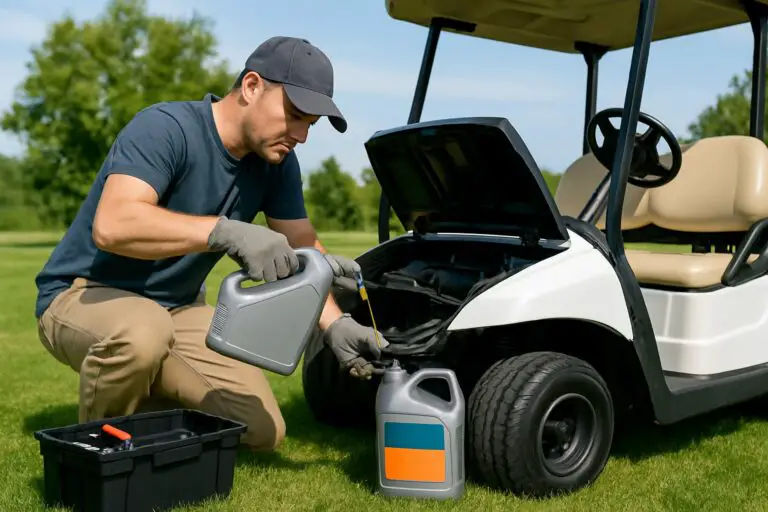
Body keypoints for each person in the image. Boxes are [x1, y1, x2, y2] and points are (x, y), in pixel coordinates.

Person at [33, 36, 389, 452]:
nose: (301, 136)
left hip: (177, 308)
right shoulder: (165, 127)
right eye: (294, 115)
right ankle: (100, 452)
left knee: (260, 431)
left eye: (309, 124)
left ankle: (150, 402)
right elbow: (113, 224)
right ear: (252, 86)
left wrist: (336, 325)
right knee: (142, 333)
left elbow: (304, 245)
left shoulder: (278, 164)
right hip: (82, 295)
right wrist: (226, 231)